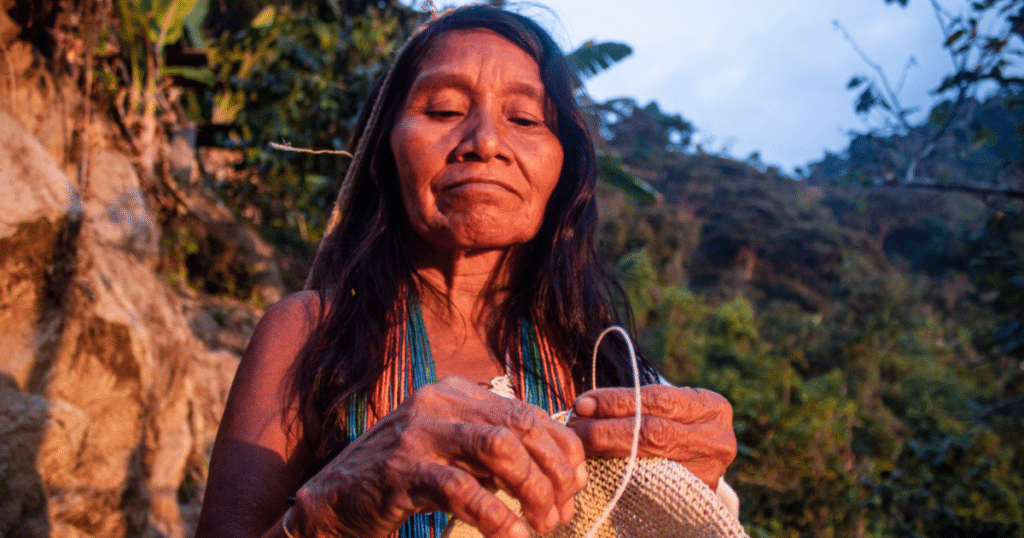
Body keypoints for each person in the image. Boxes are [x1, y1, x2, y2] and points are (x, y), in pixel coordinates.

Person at [195, 5, 737, 538]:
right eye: (443, 110)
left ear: (563, 169)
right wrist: (329, 513)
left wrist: (697, 489)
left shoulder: (604, 361)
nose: (485, 142)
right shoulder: (308, 333)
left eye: (524, 119)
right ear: (386, 150)